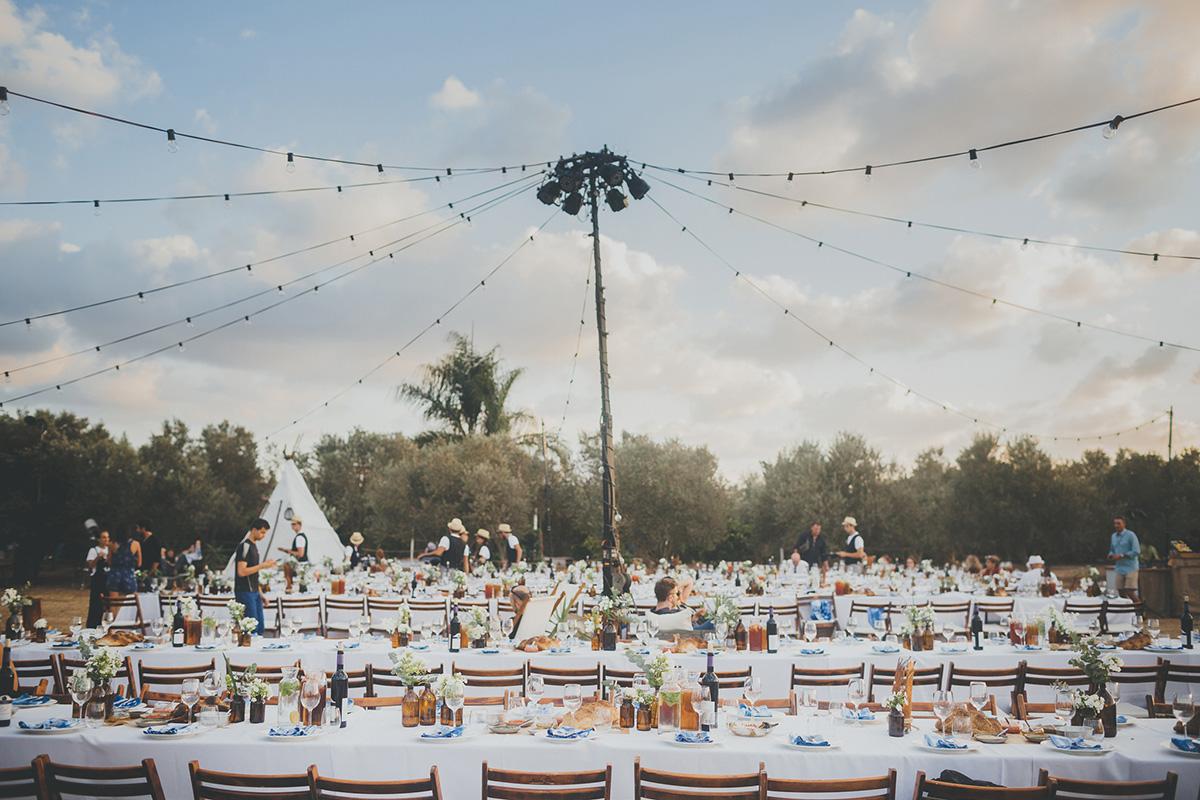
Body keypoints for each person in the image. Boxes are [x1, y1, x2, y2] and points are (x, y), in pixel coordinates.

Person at [235, 518, 277, 635]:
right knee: (251, 629)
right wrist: (263, 565)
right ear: (254, 530)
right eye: (262, 532)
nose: (264, 535)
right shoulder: (245, 546)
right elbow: (241, 572)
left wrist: (261, 594)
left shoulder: (254, 547)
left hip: (254, 592)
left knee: (260, 628)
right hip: (245, 592)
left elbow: (253, 574)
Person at [1108, 515, 1140, 602]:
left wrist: (1122, 555)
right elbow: (1112, 549)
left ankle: (1140, 611)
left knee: (1130, 591)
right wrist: (1111, 555)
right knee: (1121, 591)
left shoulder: (1131, 535)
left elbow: (1136, 551)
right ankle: (1128, 611)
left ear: (1124, 524)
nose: (1116, 525)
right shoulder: (1113, 536)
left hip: (1130, 567)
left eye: (1118, 523)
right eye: (1115, 523)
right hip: (1119, 568)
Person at [85, 528, 111, 628]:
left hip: (107, 580)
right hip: (97, 581)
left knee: (108, 605)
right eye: (104, 537)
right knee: (96, 605)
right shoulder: (93, 550)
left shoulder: (110, 550)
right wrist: (98, 558)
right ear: (99, 539)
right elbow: (90, 565)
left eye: (107, 537)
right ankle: (93, 626)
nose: (106, 540)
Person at [106, 528, 141, 597]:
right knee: (131, 603)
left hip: (114, 576)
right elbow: (139, 563)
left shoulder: (111, 544)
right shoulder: (136, 544)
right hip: (129, 576)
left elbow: (109, 562)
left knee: (114, 604)